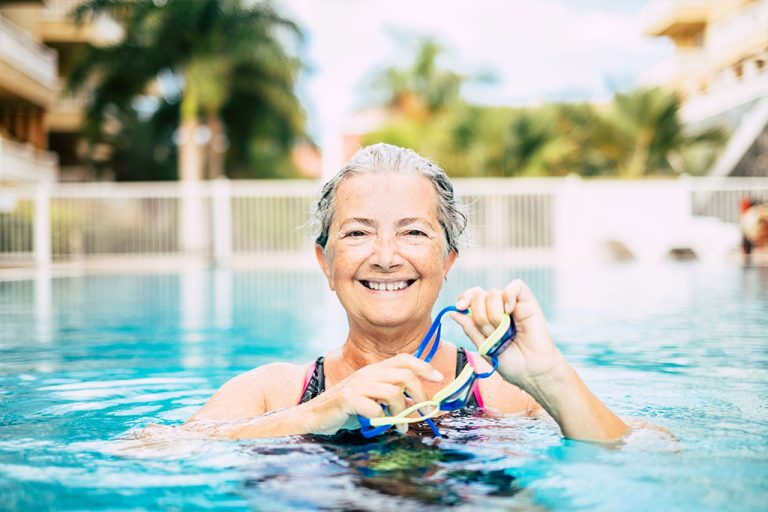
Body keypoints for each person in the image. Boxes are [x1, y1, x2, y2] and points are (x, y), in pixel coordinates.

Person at [186, 143, 630, 442]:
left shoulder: (504, 396)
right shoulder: (273, 395)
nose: (385, 256)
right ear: (325, 263)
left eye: (413, 232)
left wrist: (549, 379)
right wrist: (312, 415)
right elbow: (146, 453)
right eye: (358, 233)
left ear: (447, 261)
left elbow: (648, 453)